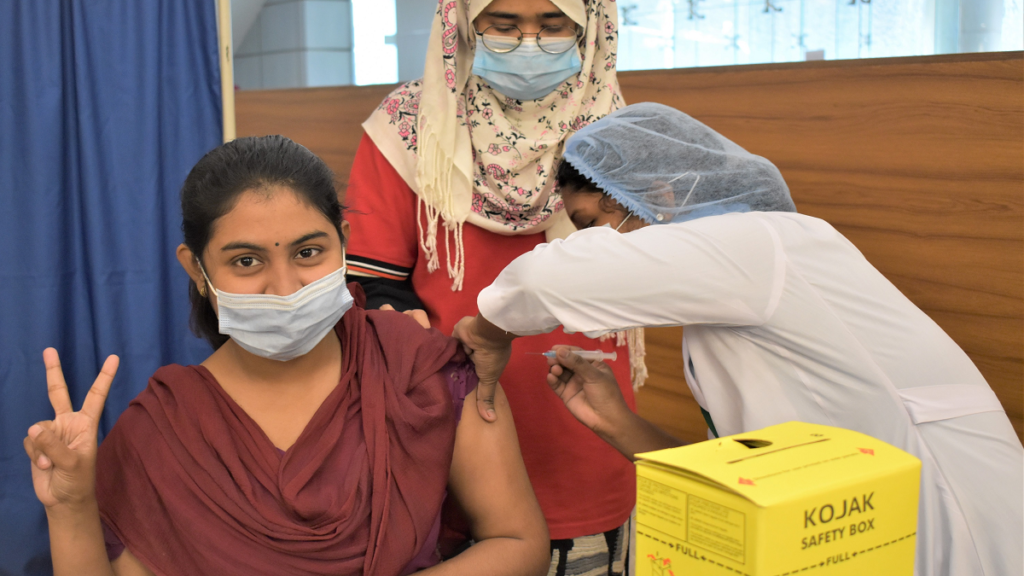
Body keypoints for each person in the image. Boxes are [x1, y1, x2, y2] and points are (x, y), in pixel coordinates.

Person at [454, 102, 1024, 576]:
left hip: (948, 509)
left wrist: (487, 333)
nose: (583, 245)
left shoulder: (757, 243)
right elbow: (742, 472)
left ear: (662, 196)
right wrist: (616, 422)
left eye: (587, 226)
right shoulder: (724, 304)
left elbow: (543, 280)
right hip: (855, 515)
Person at [22, 136, 549, 576]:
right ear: (196, 270)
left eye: (308, 252)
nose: (284, 286)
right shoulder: (162, 431)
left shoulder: (423, 370)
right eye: (246, 261)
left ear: (343, 244)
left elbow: (519, 542)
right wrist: (70, 507)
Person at [345, 0, 638, 570]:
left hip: (584, 421)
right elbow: (373, 280)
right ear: (464, 23)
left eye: (553, 26)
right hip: (451, 430)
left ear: (589, 27)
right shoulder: (408, 127)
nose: (529, 44)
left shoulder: (615, 126)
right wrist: (403, 329)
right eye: (503, 26)